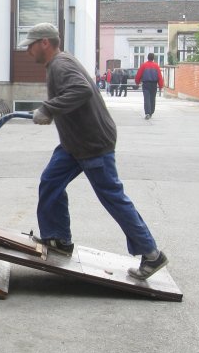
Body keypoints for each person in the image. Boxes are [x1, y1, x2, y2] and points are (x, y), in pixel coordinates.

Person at [20, 23, 169, 280]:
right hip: (74, 144)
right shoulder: (60, 62)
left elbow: (82, 89)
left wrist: (48, 108)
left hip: (92, 143)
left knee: (112, 196)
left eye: (30, 46)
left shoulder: (60, 65)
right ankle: (59, 240)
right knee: (50, 182)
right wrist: (52, 110)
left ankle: (152, 254)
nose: (27, 51)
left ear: (45, 42)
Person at [135, 53, 164, 119]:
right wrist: (160, 86)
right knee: (152, 98)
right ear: (153, 58)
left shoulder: (144, 65)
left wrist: (137, 82)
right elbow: (160, 77)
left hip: (146, 84)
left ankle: (147, 112)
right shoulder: (156, 66)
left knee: (146, 98)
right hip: (154, 84)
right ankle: (151, 112)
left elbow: (138, 74)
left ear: (147, 57)